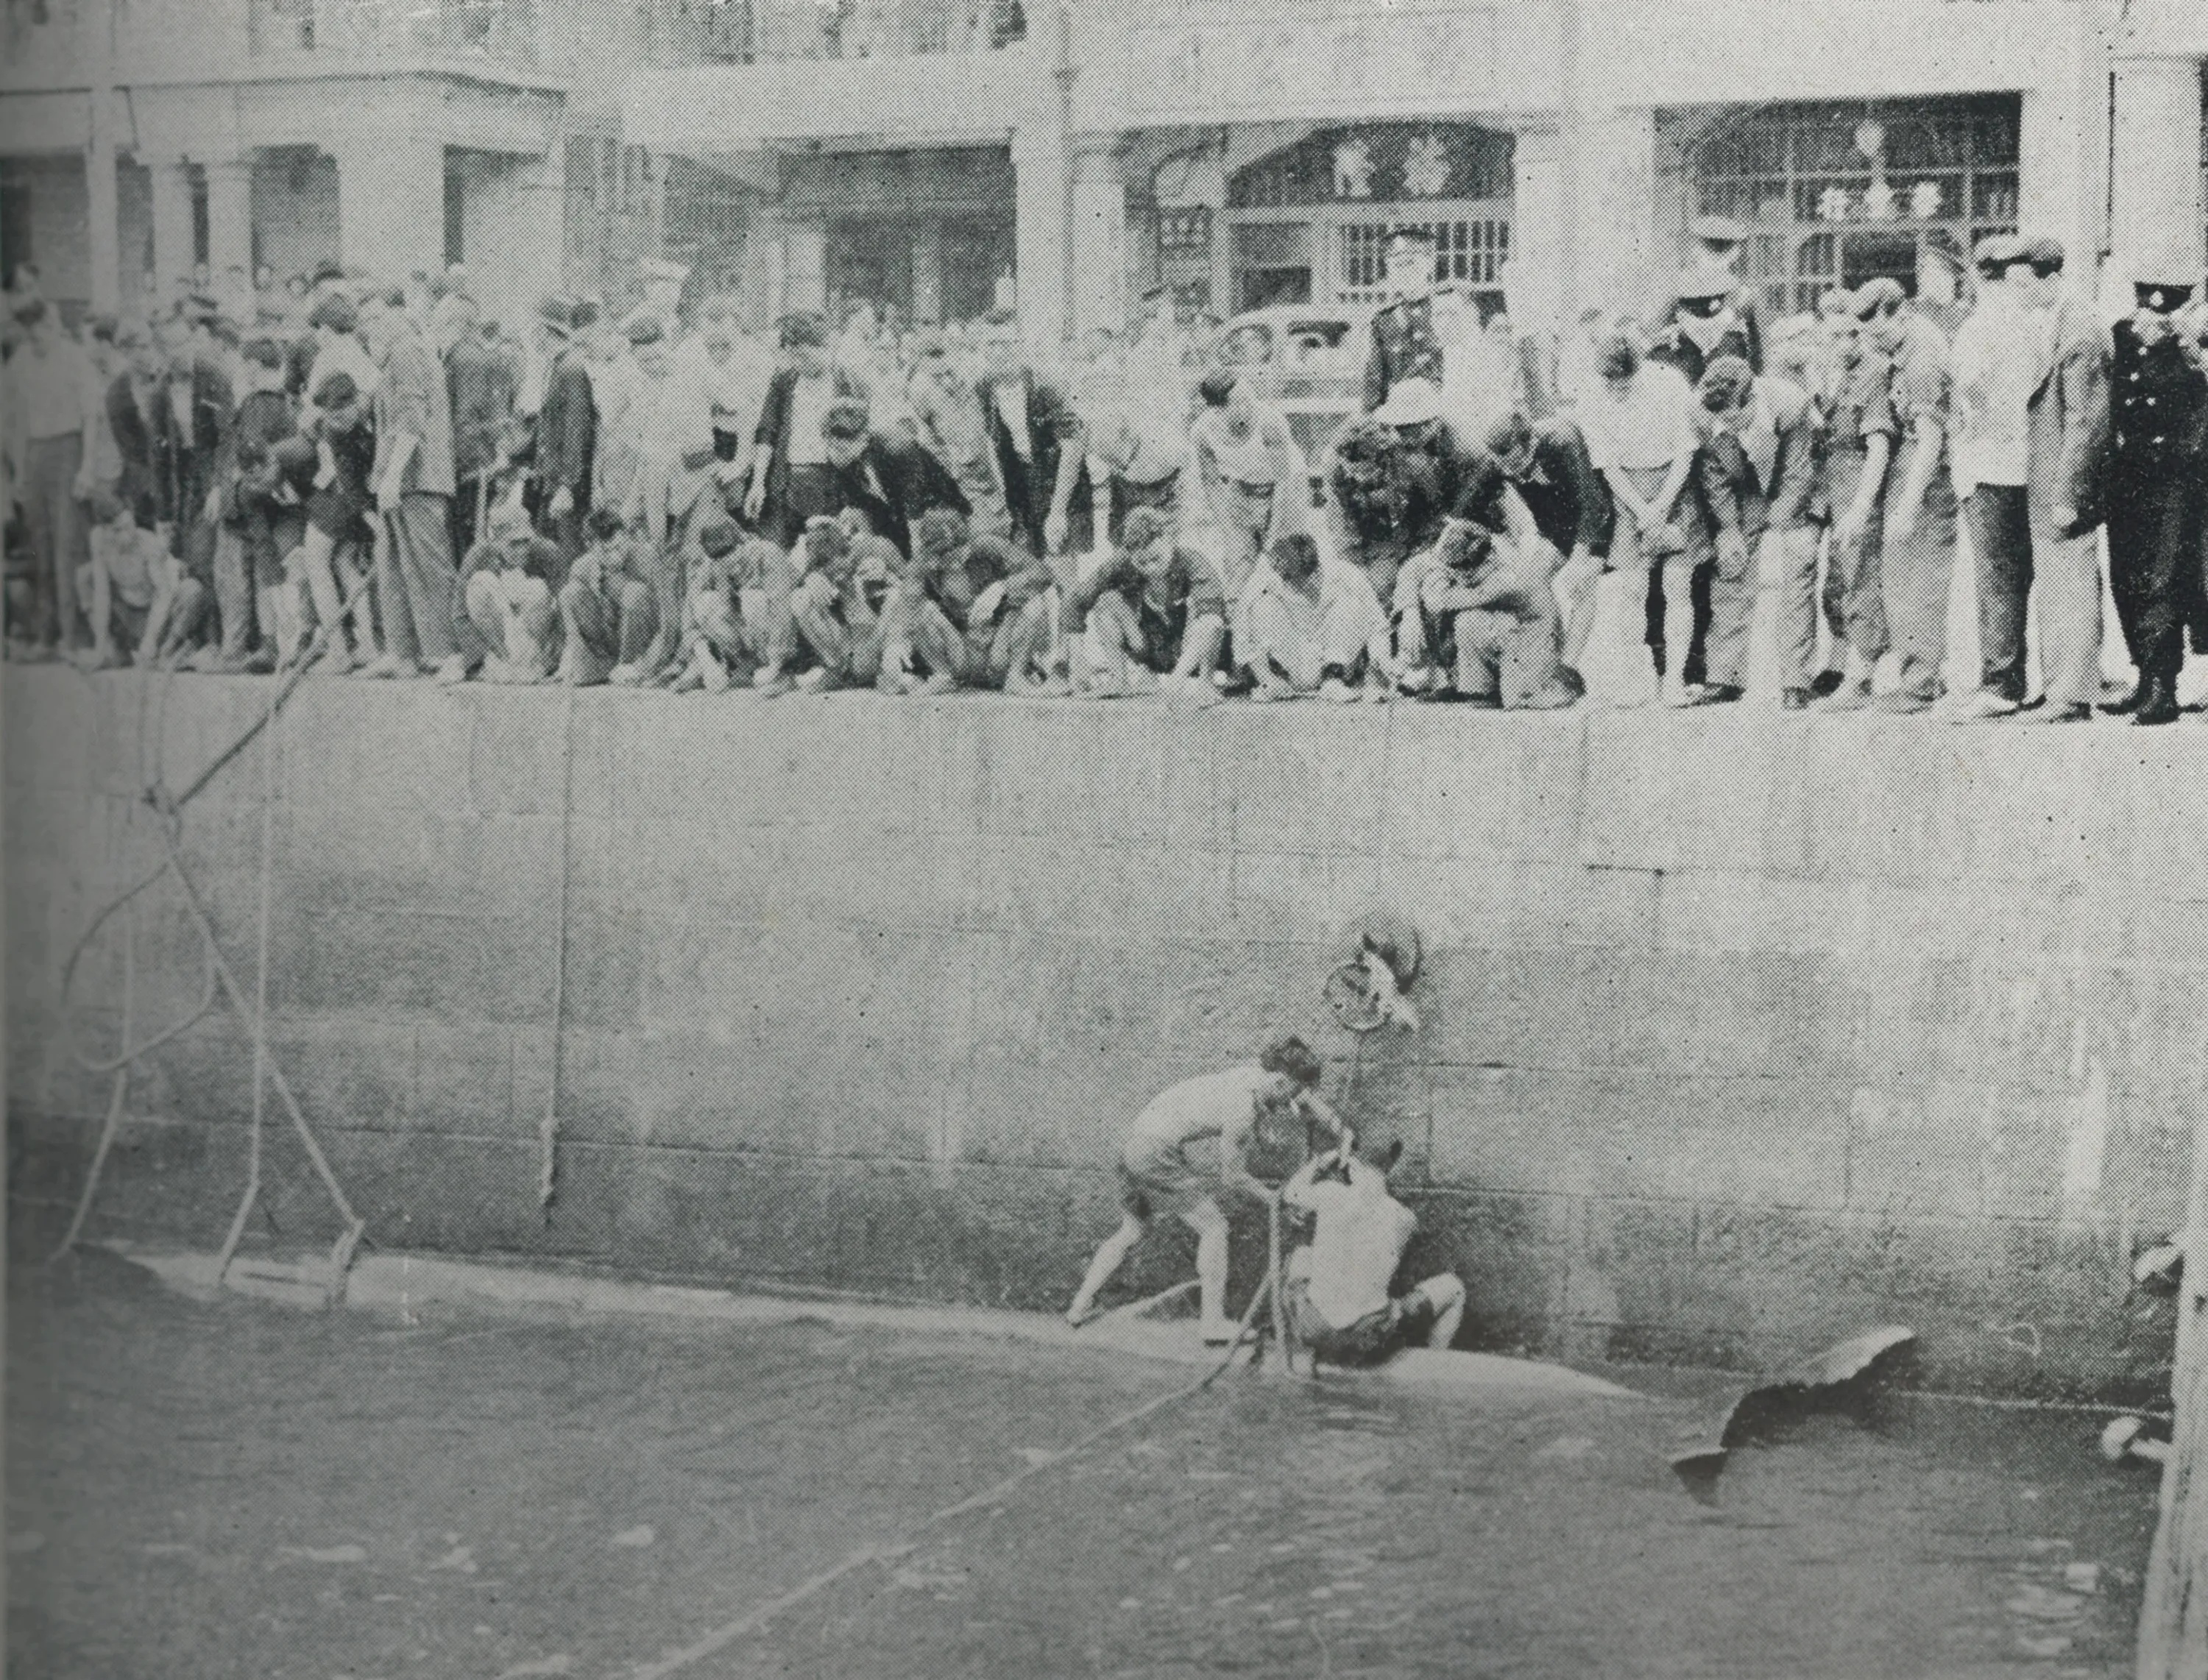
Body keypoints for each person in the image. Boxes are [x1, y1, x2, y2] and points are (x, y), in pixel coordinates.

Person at [1066, 1034, 1342, 1344]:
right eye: (1292, 1092)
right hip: (1155, 1153)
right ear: (1280, 1081)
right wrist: (1277, 1200)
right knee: (1215, 1227)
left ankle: (1079, 1306)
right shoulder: (1243, 1112)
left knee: (1133, 1229)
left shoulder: (1255, 1072)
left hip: (1134, 1142)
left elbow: (1302, 1096)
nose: (1292, 1102)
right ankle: (1212, 1324)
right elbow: (1233, 1178)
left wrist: (1338, 1127)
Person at [2008, 237, 2111, 725]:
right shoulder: (2057, 321)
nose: (2019, 294)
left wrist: (2069, 491)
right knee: (2055, 583)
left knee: (2070, 582)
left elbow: (2086, 421)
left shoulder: (2082, 331)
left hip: (2066, 484)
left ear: (2051, 279)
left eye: (2025, 285)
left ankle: (2070, 693)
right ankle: (2059, 689)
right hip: (2048, 478)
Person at [1577, 332, 1708, 706]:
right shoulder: (1592, 397)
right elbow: (1607, 464)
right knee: (1632, 592)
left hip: (1675, 486)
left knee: (1676, 586)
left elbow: (1685, 452)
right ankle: (1639, 681)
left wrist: (1662, 506)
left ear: (1640, 370)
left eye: (1626, 383)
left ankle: (1674, 682)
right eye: (1610, 384)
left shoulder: (1669, 383)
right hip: (1628, 492)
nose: (1617, 391)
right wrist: (1641, 509)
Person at [2102, 269, 2207, 726]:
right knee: (2127, 575)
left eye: (2160, 310)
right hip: (2130, 475)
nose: (2150, 319)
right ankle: (2144, 675)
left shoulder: (2193, 349)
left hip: (2176, 480)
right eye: (2144, 306)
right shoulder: (2124, 337)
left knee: (2163, 579)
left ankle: (2164, 685)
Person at [1846, 279, 1956, 715]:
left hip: (1924, 474)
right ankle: (1922, 672)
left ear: (1901, 315)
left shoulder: (1923, 361)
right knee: (1903, 576)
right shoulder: (1904, 347)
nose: (1873, 343)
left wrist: (1909, 504)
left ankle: (1921, 680)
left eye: (1878, 333)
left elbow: (1930, 439)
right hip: (1907, 464)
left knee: (1919, 578)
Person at [1692, 355, 1824, 706]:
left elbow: (1799, 474)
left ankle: (1796, 680)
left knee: (1796, 569)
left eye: (1736, 417)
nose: (1729, 427)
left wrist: (1777, 528)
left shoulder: (1791, 404)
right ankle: (1725, 676)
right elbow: (1715, 478)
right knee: (1730, 569)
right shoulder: (1702, 414)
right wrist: (1730, 529)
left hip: (1794, 488)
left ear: (1752, 399)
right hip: (1745, 490)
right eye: (1723, 421)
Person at [1281, 1138, 1465, 1367]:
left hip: (1316, 1330)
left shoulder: (1328, 1193)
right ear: (1392, 1169)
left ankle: (1303, 1356)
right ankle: (1432, 1368)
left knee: (1300, 1254)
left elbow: (1290, 1193)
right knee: (1454, 1289)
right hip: (1368, 1340)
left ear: (1352, 1166)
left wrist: (1320, 1163)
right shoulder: (1405, 1218)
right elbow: (1386, 1268)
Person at [360, 288, 465, 684]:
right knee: (392, 568)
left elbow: (412, 419)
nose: (370, 329)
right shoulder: (394, 357)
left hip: (417, 481)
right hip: (398, 483)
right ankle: (402, 652)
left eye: (376, 319)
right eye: (365, 322)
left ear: (398, 315)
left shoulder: (407, 352)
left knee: (429, 566)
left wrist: (392, 475)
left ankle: (451, 652)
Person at [1483, 409, 1614, 683]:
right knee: (1532, 583)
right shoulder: (1499, 460)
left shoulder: (1561, 440)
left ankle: (1567, 667)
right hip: (1556, 521)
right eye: (1505, 467)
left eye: (1517, 464)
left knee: (1582, 584)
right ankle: (1546, 658)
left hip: (1596, 514)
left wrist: (1579, 560)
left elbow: (1590, 503)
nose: (1512, 473)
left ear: (1531, 443)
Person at [1, 296, 100, 658]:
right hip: (34, 454)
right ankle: (45, 636)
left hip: (67, 451)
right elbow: (11, 420)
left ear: (49, 325)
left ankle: (72, 639)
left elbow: (91, 416)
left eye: (39, 334)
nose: (35, 342)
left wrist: (87, 466)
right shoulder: (21, 361)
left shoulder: (74, 358)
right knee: (39, 547)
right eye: (28, 336)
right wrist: (18, 471)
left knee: (66, 546)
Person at [1393, 515, 1575, 709]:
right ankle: (1479, 689)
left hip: (1535, 640)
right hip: (1513, 632)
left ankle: (1525, 688)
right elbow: (1416, 567)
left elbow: (1438, 602)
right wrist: (1410, 612)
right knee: (1469, 620)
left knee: (1520, 702)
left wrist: (1434, 579)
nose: (1459, 574)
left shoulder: (1505, 576)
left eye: (1461, 570)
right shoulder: (1482, 547)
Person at [1813, 302, 1897, 712]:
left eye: (1852, 334)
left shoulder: (1872, 375)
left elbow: (1879, 445)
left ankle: (1860, 678)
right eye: (1835, 335)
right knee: (1836, 583)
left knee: (1860, 579)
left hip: (1858, 480)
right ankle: (1838, 665)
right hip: (1832, 483)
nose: (1844, 343)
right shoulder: (1829, 374)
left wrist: (1863, 504)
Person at [882, 506, 1056, 695]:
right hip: (961, 653)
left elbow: (1043, 573)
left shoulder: (988, 545)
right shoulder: (925, 561)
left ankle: (1016, 676)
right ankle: (942, 676)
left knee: (1035, 601)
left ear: (966, 547)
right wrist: (894, 645)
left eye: (952, 559)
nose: (944, 564)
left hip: (998, 650)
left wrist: (1001, 587)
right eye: (939, 558)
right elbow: (906, 605)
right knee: (923, 609)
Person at [1068, 505, 1227, 701]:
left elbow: (1213, 620)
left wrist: (1177, 680)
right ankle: (1119, 680)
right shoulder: (1122, 562)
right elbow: (1075, 601)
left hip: (1191, 650)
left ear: (1170, 540)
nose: (1151, 568)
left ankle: (1206, 683)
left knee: (1208, 616)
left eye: (1157, 559)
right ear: (1130, 554)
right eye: (1142, 563)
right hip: (1151, 647)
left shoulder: (1192, 561)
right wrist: (1077, 660)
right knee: (1106, 600)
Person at [975, 309, 1087, 559]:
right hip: (1020, 482)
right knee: (1026, 572)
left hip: (1059, 479)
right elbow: (985, 445)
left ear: (1021, 345)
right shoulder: (981, 388)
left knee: (1061, 566)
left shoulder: (1046, 385)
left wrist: (1057, 512)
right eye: (992, 344)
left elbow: (1072, 446)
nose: (999, 352)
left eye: (1007, 344)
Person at [746, 312, 861, 547]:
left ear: (824, 347)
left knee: (826, 556)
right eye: (793, 357)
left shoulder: (849, 383)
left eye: (804, 356)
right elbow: (767, 431)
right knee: (778, 553)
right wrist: (758, 484)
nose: (799, 364)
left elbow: (861, 445)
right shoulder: (783, 382)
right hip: (786, 482)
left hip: (832, 486)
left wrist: (855, 499)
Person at [757, 514, 898, 695]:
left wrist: (887, 576)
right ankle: (835, 669)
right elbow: (787, 590)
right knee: (800, 597)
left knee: (894, 598)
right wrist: (809, 577)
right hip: (847, 641)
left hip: (877, 635)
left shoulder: (875, 547)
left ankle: (889, 668)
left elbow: (913, 588)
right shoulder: (814, 561)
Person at [1243, 531, 1392, 702]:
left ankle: (1333, 681)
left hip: (1334, 660)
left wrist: (1378, 668)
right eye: (1290, 581)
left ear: (1316, 569)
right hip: (1292, 664)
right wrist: (1265, 676)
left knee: (1351, 602)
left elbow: (1377, 624)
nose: (1296, 588)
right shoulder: (1269, 578)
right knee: (1263, 604)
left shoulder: (1346, 573)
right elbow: (1242, 628)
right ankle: (1275, 683)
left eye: (1302, 581)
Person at [1190, 368, 1305, 588]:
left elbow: (1283, 482)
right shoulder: (1202, 432)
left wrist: (1273, 535)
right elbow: (1212, 483)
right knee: (1237, 563)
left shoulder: (1270, 422)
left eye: (1249, 394)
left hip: (1286, 486)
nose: (1249, 404)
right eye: (1239, 401)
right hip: (1241, 487)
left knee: (1288, 559)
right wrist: (1229, 532)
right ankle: (1241, 615)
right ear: (1218, 410)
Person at [73, 487, 209, 669]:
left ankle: (166, 651)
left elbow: (164, 595)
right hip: (129, 615)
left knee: (193, 590)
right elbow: (101, 594)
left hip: (157, 618)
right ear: (105, 530)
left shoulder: (148, 543)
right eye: (118, 530)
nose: (128, 535)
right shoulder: (98, 540)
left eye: (130, 526)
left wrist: (150, 641)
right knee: (85, 576)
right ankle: (110, 650)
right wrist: (99, 646)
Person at [816, 398, 969, 557]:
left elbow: (915, 506)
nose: (833, 455)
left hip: (937, 511)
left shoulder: (898, 449)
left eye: (840, 448)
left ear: (863, 439)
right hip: (896, 518)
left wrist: (915, 557)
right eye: (829, 446)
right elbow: (857, 506)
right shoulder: (843, 458)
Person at [674, 518, 794, 694]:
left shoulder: (767, 553)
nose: (727, 566)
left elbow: (783, 610)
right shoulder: (712, 562)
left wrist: (776, 663)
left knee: (752, 597)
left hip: (781, 641)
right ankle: (745, 665)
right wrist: (707, 661)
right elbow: (690, 613)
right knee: (704, 601)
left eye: (731, 557)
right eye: (720, 561)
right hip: (746, 638)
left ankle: (779, 671)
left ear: (742, 543)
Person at [460, 498, 564, 684]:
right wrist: (478, 661)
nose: (522, 549)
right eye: (513, 543)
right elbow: (459, 613)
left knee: (538, 587)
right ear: (496, 541)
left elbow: (565, 608)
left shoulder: (546, 552)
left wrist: (554, 658)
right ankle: (499, 664)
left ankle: (533, 665)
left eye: (525, 541)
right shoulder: (478, 556)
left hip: (535, 636)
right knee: (480, 583)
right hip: (499, 639)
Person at [444, 297, 515, 562]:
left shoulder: (465, 359)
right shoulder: (479, 357)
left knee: (469, 548)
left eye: (441, 324)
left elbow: (466, 421)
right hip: (480, 465)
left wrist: (464, 470)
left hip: (471, 470)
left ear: (457, 324)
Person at [530, 292, 597, 567]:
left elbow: (576, 430)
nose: (531, 335)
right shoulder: (558, 366)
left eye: (534, 328)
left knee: (568, 559)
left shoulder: (570, 368)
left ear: (544, 331)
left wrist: (567, 487)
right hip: (553, 483)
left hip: (566, 489)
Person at [1362, 225, 1446, 412]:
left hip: (1445, 412)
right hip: (1401, 415)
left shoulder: (1448, 308)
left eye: (1410, 263)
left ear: (1430, 263)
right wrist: (1370, 417)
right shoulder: (1384, 320)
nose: (1404, 271)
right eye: (1397, 265)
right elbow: (1376, 379)